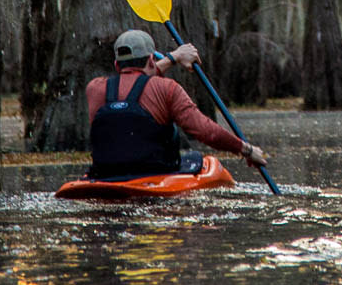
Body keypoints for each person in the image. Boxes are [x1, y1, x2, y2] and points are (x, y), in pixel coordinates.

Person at [86, 29, 272, 180]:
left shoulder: (95, 88)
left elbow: (135, 83)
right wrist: (246, 150)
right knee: (197, 159)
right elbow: (207, 132)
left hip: (105, 174)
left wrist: (174, 57)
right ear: (151, 59)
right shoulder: (167, 89)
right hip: (154, 174)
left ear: (117, 65)